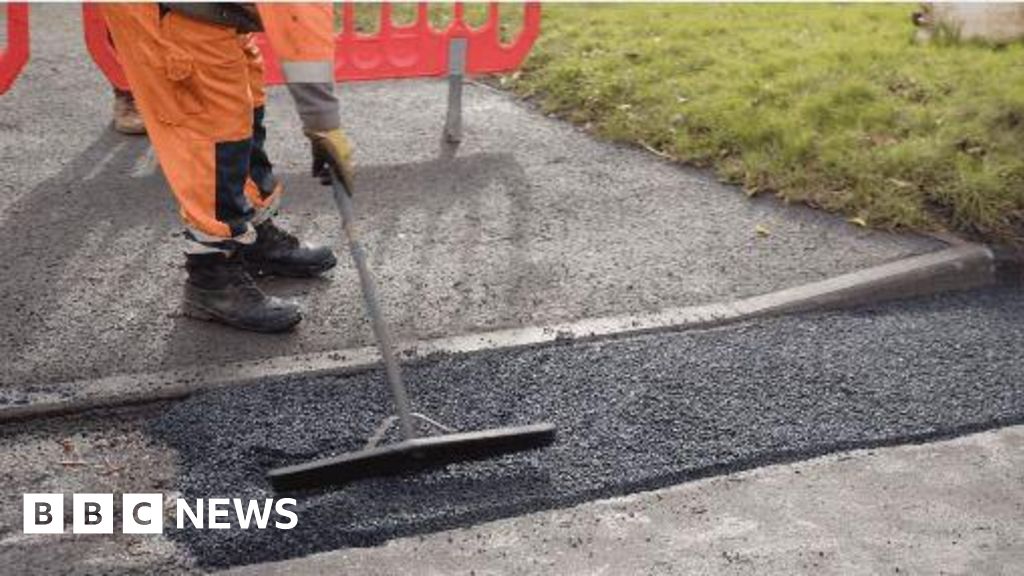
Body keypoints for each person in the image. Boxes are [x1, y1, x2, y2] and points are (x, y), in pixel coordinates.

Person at [102, 3, 355, 333]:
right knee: (211, 134)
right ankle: (212, 277)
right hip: (169, 15)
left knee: (243, 104)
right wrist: (323, 124)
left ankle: (251, 238)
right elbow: (301, 22)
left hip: (217, 13)